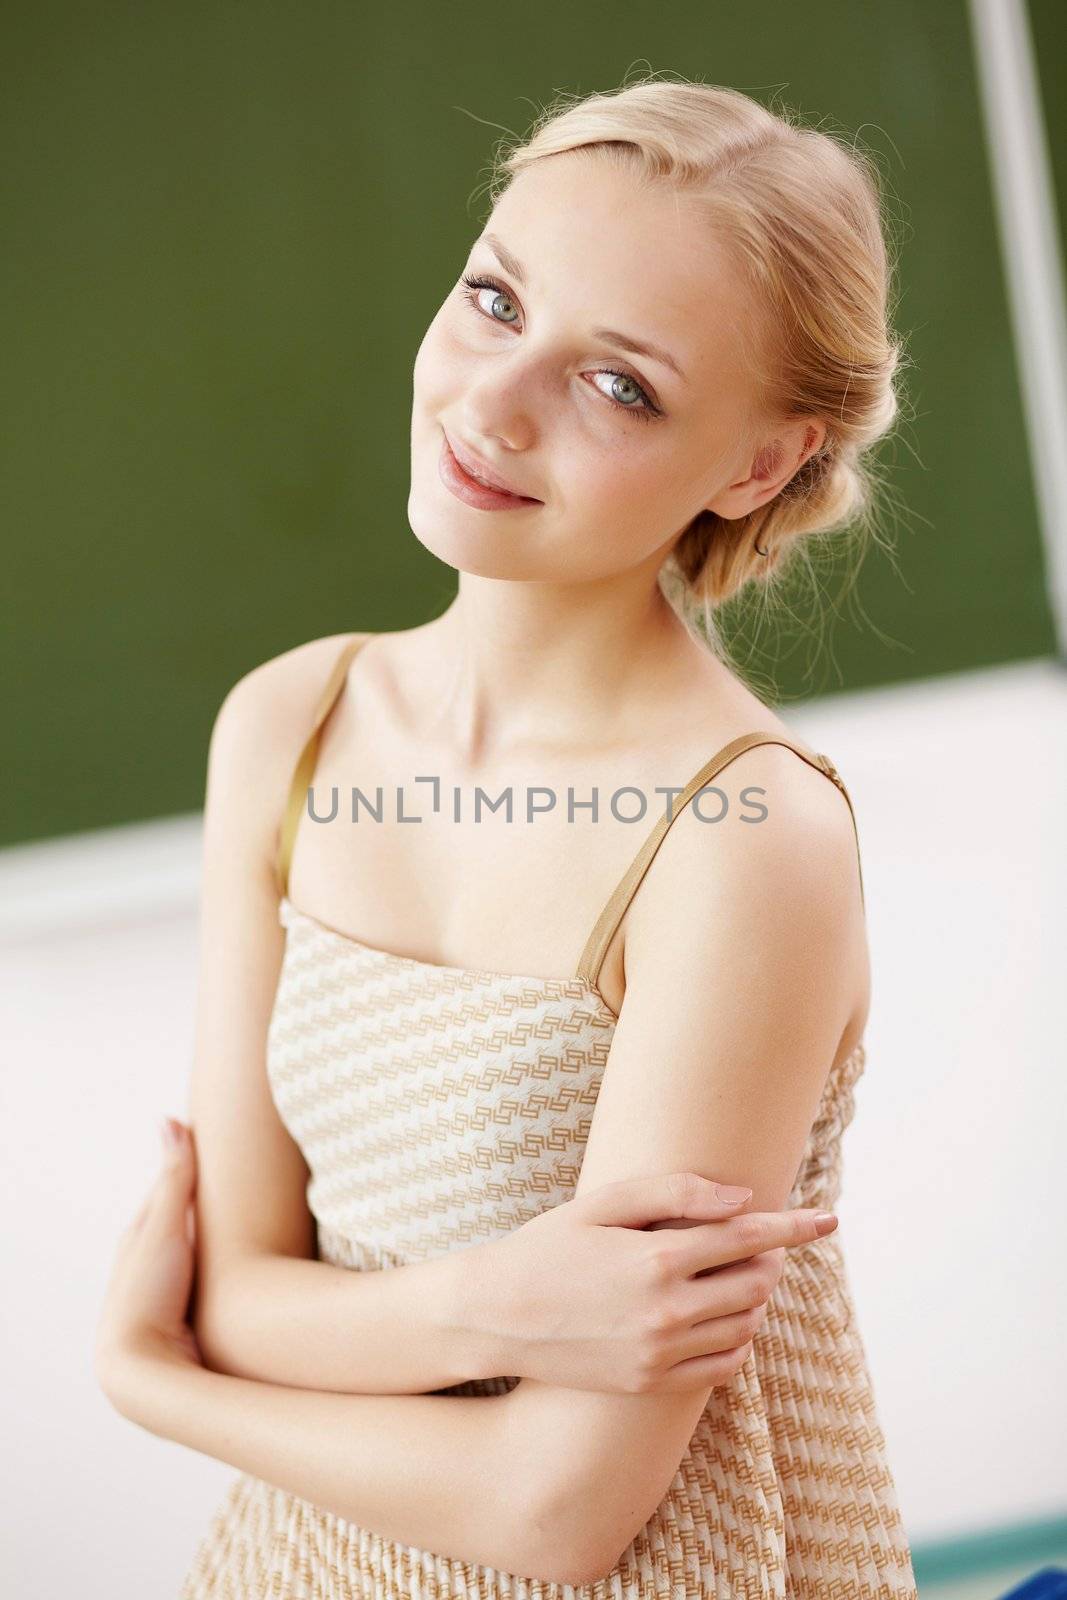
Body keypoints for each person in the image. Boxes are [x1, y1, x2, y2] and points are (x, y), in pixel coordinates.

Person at [95, 74, 918, 1596]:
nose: (491, 400)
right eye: (493, 299)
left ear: (757, 466)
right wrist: (499, 1305)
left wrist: (155, 1385)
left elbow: (557, 1512)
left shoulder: (742, 836)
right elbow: (235, 1295)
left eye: (622, 386)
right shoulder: (289, 725)